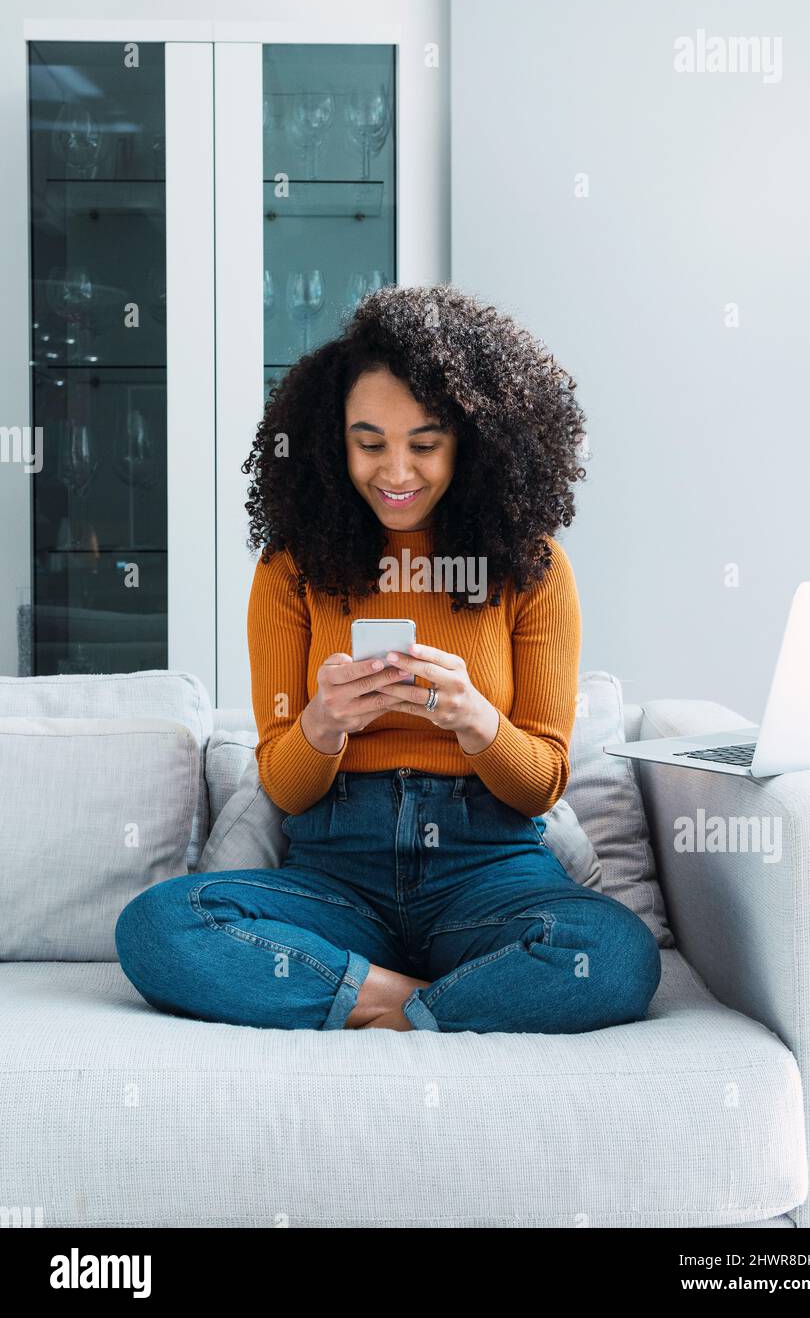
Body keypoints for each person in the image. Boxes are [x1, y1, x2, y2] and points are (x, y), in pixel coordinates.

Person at [115, 283, 660, 1033]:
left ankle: (371, 1000)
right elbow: (286, 782)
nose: (396, 473)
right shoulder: (290, 569)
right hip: (339, 874)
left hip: (488, 869)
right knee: (157, 926)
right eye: (369, 443)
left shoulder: (531, 568)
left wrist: (474, 718)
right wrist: (322, 724)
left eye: (425, 444)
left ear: (473, 442)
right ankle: (423, 1000)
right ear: (331, 442)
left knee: (616, 952)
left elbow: (541, 786)